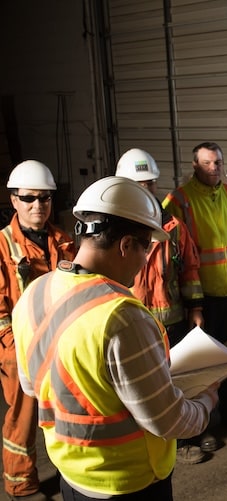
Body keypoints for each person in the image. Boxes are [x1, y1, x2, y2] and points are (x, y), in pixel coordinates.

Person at [13, 176, 219, 500]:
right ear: (125, 246)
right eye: (146, 250)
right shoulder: (124, 318)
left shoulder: (33, 294)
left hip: (72, 480)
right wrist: (206, 399)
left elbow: (31, 385)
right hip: (128, 483)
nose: (144, 263)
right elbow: (168, 422)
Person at [115, 148, 210, 464]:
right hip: (130, 324)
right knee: (139, 387)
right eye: (138, 184)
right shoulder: (113, 231)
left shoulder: (172, 227)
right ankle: (143, 444)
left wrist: (195, 308)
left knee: (179, 381)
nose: (146, 191)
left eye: (150, 184)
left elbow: (190, 269)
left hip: (172, 319)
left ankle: (185, 439)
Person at [163, 142, 227, 432]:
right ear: (194, 166)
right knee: (201, 366)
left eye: (217, 162)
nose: (213, 168)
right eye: (207, 163)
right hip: (200, 298)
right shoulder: (178, 201)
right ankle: (201, 428)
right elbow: (171, 254)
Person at [0, 160, 76, 500]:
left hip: (60, 344)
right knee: (23, 418)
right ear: (13, 200)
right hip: (21, 348)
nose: (38, 206)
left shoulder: (62, 239)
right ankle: (21, 485)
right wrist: (12, 348)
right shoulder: (3, 246)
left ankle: (70, 473)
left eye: (45, 199)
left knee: (66, 412)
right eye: (29, 198)